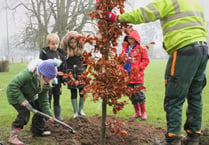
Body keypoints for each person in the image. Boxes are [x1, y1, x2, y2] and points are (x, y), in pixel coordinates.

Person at [105, 0, 208, 144]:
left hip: (183, 50)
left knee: (174, 97)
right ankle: (193, 137)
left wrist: (117, 18)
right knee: (195, 95)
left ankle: (173, 139)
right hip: (202, 49)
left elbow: (144, 14)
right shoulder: (194, 3)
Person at [7, 59, 61, 145]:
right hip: (15, 96)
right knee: (24, 114)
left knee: (40, 109)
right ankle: (13, 137)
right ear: (43, 74)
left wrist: (49, 114)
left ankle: (37, 131)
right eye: (50, 78)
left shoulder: (46, 82)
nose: (51, 80)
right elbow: (13, 86)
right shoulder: (28, 75)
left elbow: (44, 100)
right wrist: (21, 100)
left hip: (30, 97)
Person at [121, 28, 149, 120]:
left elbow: (146, 60)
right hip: (127, 75)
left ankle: (143, 112)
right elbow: (121, 60)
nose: (130, 41)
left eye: (132, 39)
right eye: (129, 39)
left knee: (139, 93)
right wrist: (122, 69)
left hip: (137, 76)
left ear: (136, 39)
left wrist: (139, 67)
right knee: (131, 94)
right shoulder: (125, 49)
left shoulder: (141, 49)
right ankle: (137, 112)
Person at [39, 33, 67, 120]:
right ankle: (48, 116)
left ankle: (58, 115)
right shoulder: (44, 53)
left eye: (56, 44)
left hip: (57, 81)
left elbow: (64, 67)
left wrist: (64, 79)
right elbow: (41, 65)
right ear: (48, 44)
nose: (55, 46)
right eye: (53, 44)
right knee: (47, 98)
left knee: (57, 97)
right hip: (47, 80)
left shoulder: (60, 53)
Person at [61, 31, 87, 118]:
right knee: (73, 92)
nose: (73, 44)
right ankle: (75, 111)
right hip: (71, 75)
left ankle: (81, 110)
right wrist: (66, 76)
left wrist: (83, 71)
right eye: (71, 43)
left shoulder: (81, 52)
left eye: (74, 42)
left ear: (78, 42)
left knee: (82, 91)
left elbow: (85, 63)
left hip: (80, 74)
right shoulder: (66, 53)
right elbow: (64, 65)